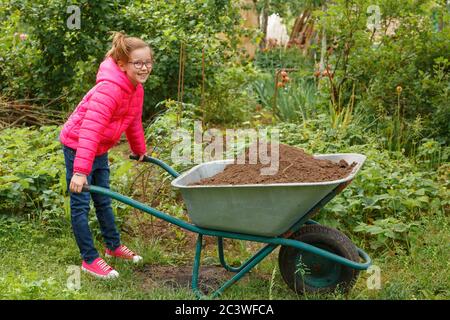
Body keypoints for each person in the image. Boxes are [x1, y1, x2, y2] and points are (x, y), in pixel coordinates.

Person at [60, 32, 153, 279]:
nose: (144, 68)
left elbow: (132, 121)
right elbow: (89, 130)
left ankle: (112, 247)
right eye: (138, 63)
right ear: (122, 64)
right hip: (78, 146)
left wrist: (139, 149)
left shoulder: (135, 89)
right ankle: (89, 259)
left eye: (148, 62)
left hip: (98, 148)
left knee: (103, 199)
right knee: (81, 202)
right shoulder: (109, 89)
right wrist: (80, 172)